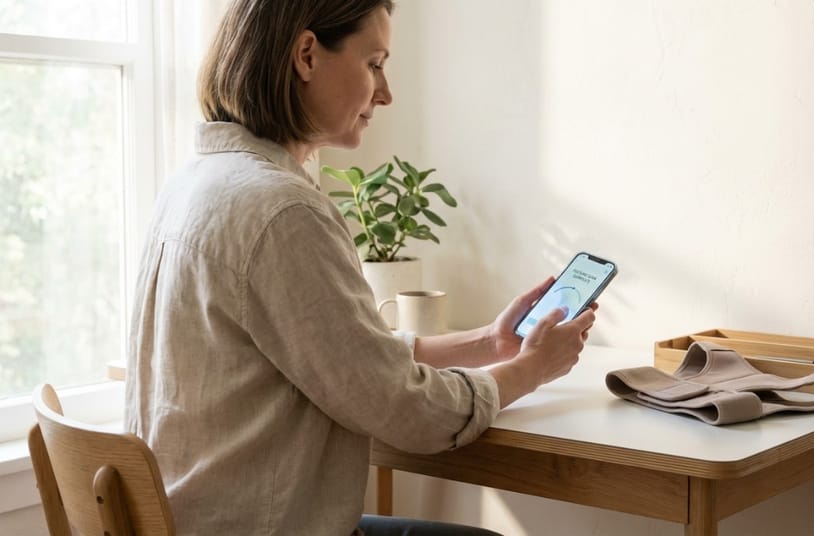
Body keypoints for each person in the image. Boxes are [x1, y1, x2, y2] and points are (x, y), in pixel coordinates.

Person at [124, 1, 596, 535]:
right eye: (374, 63)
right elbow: (410, 413)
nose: (386, 91)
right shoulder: (282, 211)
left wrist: (489, 343)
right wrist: (531, 369)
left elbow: (348, 355)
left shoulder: (194, 183)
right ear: (306, 55)